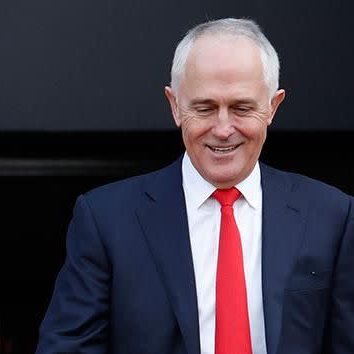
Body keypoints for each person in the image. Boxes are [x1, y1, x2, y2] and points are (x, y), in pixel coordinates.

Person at [36, 18, 354, 354]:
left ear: (272, 107)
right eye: (204, 108)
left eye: (242, 108)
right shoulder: (106, 220)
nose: (222, 128)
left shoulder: (332, 216)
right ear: (174, 106)